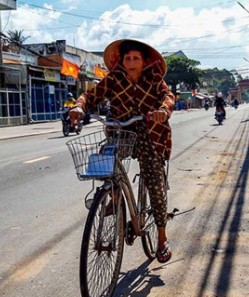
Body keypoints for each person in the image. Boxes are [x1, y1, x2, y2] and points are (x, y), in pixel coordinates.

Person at [69, 39, 175, 263]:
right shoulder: (114, 79)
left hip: (149, 132)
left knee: (154, 180)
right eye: (128, 58)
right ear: (122, 61)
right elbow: (91, 95)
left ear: (143, 61)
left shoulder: (154, 79)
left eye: (136, 58)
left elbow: (168, 97)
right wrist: (79, 105)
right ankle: (113, 195)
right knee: (108, 161)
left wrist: (163, 110)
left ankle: (162, 238)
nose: (131, 62)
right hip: (121, 130)